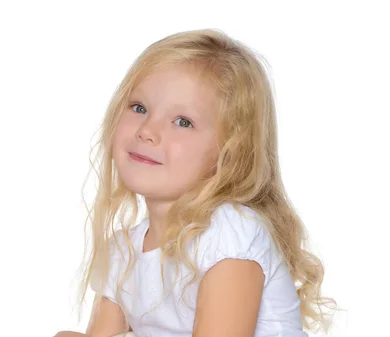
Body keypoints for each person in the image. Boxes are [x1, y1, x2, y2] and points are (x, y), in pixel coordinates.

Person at [55, 28, 336, 337]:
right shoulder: (125, 252)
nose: (147, 130)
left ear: (230, 153)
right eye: (139, 108)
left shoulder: (229, 233)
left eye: (183, 122)